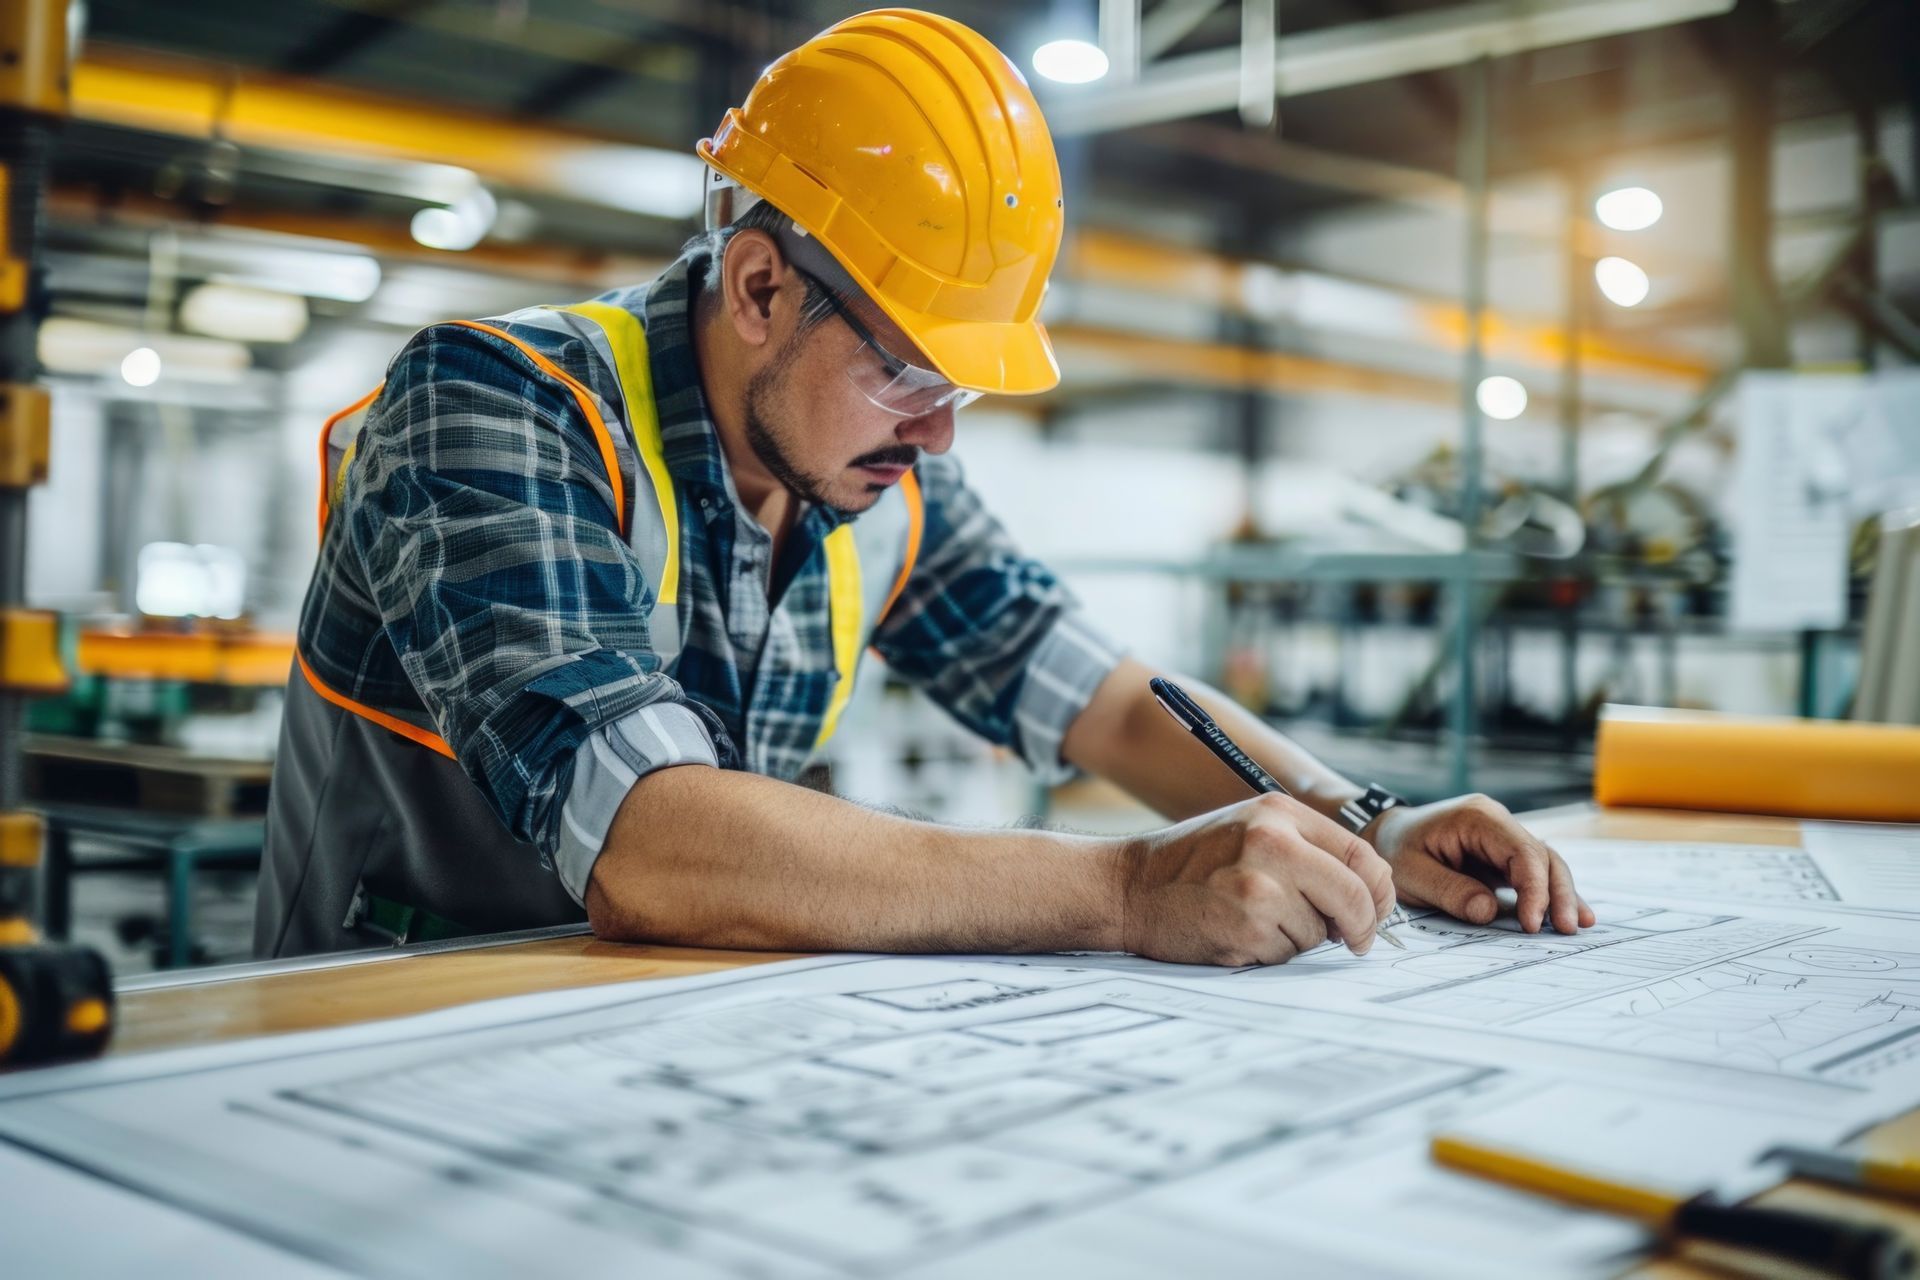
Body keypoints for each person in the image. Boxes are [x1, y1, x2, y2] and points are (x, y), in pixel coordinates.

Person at [255, 8, 1592, 960]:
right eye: (912, 375)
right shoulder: (498, 406)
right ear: (763, 286)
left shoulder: (869, 480)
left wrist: (1362, 817)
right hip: (373, 1038)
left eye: (963, 392)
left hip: (635, 1039)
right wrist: (1128, 892)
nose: (939, 440)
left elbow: (1111, 704)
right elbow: (651, 846)